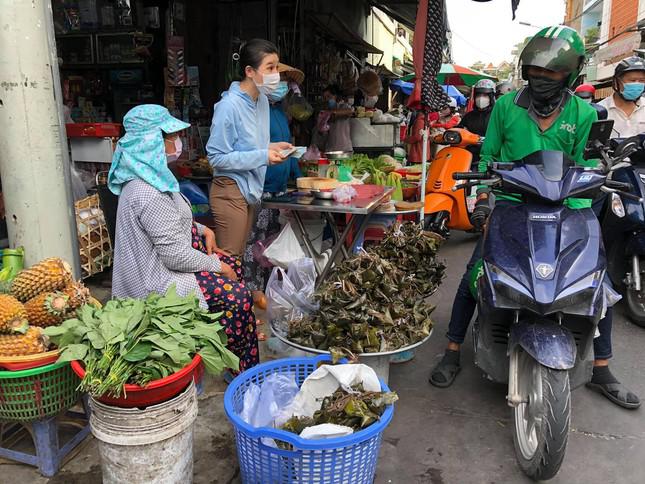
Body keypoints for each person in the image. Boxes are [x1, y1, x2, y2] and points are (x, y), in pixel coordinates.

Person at [429, 26, 640, 409]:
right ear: (526, 70)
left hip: (568, 208)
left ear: (571, 75)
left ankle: (603, 368)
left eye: (552, 73)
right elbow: (488, 158)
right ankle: (452, 349)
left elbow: (588, 162)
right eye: (536, 72)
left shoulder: (583, 111)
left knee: (600, 286)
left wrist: (594, 181)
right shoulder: (506, 108)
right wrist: (483, 198)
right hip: (512, 203)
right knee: (476, 275)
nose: (542, 79)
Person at [110, 105, 259, 372]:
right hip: (156, 280)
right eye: (171, 137)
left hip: (167, 262)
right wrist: (217, 266)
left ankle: (234, 339)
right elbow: (174, 255)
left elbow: (171, 220)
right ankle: (240, 367)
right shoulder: (148, 193)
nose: (176, 143)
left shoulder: (148, 177)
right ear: (152, 141)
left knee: (234, 268)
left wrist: (204, 230)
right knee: (237, 295)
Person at [206, 39, 292, 257]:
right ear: (249, 71)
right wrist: (264, 155)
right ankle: (217, 293)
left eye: (277, 67)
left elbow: (249, 146)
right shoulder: (229, 106)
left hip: (251, 189)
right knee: (229, 260)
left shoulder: (261, 101)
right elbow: (216, 158)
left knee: (240, 259)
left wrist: (272, 147)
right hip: (230, 189)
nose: (276, 74)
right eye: (270, 67)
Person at [243, 63, 303, 300]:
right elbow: (251, 148)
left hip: (279, 190)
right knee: (253, 243)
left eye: (285, 81)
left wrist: (298, 177)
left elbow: (287, 148)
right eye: (278, 79)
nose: (282, 85)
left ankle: (270, 287)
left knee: (271, 244)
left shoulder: (279, 112)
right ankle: (252, 290)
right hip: (260, 189)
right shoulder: (256, 111)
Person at [598, 56, 645, 137]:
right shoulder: (600, 110)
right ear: (617, 82)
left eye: (642, 81)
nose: (637, 84)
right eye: (632, 80)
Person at [320, 84, 354, 152]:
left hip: (344, 148)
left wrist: (331, 112)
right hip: (330, 148)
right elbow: (322, 131)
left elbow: (350, 111)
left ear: (335, 96)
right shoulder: (325, 111)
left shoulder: (344, 106)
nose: (327, 99)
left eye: (329, 96)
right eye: (325, 98)